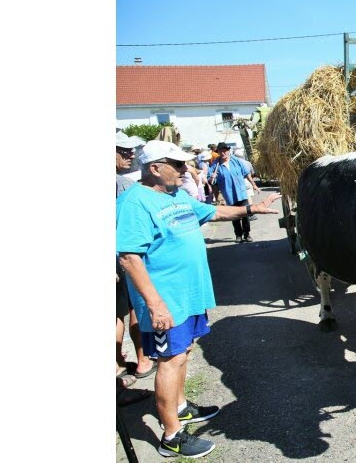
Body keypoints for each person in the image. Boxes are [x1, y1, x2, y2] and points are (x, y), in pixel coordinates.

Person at [117, 140, 281, 458]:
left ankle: (180, 407)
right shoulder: (134, 203)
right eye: (177, 165)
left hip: (189, 296)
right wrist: (155, 304)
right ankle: (171, 435)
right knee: (171, 360)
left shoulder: (175, 195)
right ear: (154, 167)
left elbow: (214, 211)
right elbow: (129, 258)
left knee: (185, 351)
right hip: (166, 302)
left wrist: (250, 209)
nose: (184, 170)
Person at [115, 131, 155, 407]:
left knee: (130, 310)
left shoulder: (122, 182)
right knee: (118, 315)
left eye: (131, 150)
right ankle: (117, 373)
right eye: (123, 150)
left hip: (122, 258)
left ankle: (136, 361)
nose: (130, 155)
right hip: (118, 260)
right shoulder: (118, 184)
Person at [208, 142, 260, 242]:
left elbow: (246, 173)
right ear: (218, 152)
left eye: (225, 151)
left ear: (228, 151)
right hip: (229, 194)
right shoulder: (216, 164)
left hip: (241, 192)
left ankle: (247, 234)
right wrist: (212, 177)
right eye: (221, 151)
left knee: (245, 214)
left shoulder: (236, 161)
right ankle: (238, 235)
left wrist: (254, 185)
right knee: (234, 215)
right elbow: (211, 180)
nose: (223, 153)